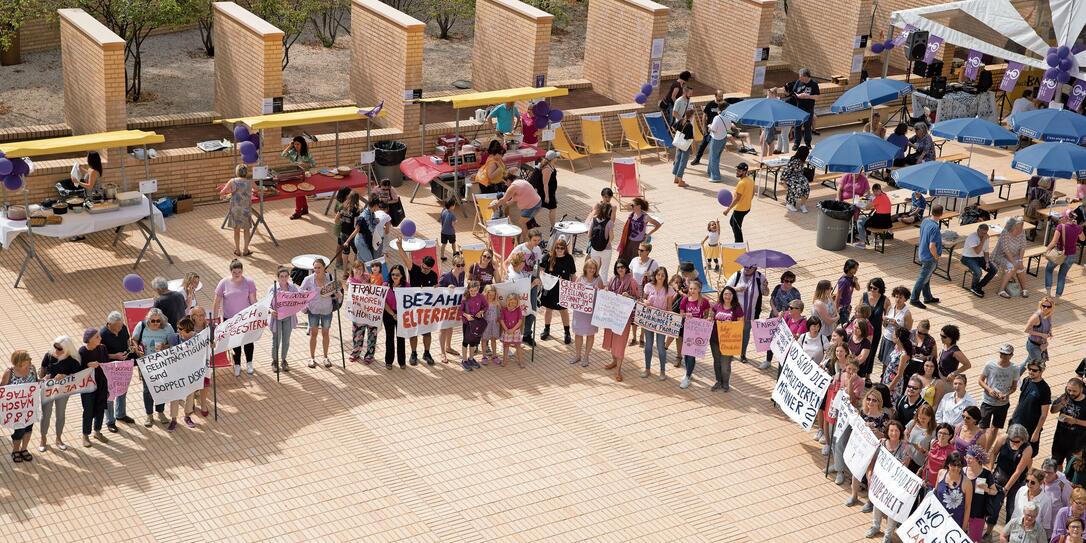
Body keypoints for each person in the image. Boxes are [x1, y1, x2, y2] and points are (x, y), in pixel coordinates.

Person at [37, 336, 83, 451]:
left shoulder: (73, 360)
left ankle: (58, 438)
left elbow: (76, 377)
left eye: (60, 349)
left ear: (67, 349)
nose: (56, 351)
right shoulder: (49, 355)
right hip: (48, 390)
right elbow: (41, 370)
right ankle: (43, 439)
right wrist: (43, 376)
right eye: (55, 347)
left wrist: (65, 376)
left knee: (60, 414)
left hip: (63, 391)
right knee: (46, 414)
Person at [213, 259, 257, 377]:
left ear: (242, 271)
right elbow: (217, 302)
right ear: (230, 271)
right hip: (230, 319)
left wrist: (256, 315)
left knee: (248, 341)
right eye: (234, 272)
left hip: (246, 318)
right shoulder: (223, 283)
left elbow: (253, 300)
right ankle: (237, 364)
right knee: (234, 342)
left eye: (239, 272)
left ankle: (249, 362)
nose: (237, 274)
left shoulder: (249, 282)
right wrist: (215, 319)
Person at [838, 388, 888, 491]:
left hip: (875, 450)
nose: (871, 402)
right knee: (856, 470)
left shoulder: (884, 417)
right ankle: (854, 495)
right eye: (869, 399)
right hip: (861, 448)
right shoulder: (862, 413)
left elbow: (886, 436)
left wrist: (876, 432)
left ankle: (869, 495)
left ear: (879, 402)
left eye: (874, 400)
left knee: (870, 473)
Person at [867, 419, 908, 541]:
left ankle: (888, 534)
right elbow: (874, 460)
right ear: (887, 431)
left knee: (892, 509)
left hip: (896, 485)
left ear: (900, 432)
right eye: (891, 430)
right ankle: (875, 526)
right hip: (881, 481)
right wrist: (870, 474)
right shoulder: (882, 443)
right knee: (877, 504)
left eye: (896, 431)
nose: (894, 433)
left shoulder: (904, 447)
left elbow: (905, 467)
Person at [132, 309, 173, 428]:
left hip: (162, 362)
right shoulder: (142, 325)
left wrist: (164, 346)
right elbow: (134, 339)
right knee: (147, 389)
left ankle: (160, 412)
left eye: (158, 321)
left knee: (161, 387)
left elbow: (173, 343)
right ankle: (149, 415)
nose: (155, 323)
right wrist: (138, 350)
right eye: (152, 321)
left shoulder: (167, 327)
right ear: (148, 320)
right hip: (146, 362)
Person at [991, 424, 1036, 531]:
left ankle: (1008, 533)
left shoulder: (1027, 449)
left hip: (1016, 481)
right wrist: (989, 470)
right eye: (1012, 441)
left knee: (1011, 509)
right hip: (1000, 475)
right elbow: (993, 453)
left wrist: (1006, 488)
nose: (1014, 444)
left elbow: (1018, 471)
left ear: (1023, 439)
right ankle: (989, 531)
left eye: (1017, 442)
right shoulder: (1003, 439)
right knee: (993, 506)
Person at [601, 259, 640, 382]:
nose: (620, 269)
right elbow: (608, 293)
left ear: (626, 268)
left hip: (623, 318)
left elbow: (638, 299)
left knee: (620, 343)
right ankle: (613, 361)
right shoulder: (613, 279)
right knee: (611, 340)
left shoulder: (632, 282)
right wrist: (606, 290)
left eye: (622, 267)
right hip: (611, 316)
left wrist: (629, 296)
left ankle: (618, 370)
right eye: (618, 267)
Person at [400, 243, 438, 365]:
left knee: (427, 332)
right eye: (423, 266)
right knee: (413, 332)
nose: (423, 269)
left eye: (426, 268)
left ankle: (427, 353)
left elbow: (435, 292)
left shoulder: (433, 275)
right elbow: (404, 259)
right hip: (413, 307)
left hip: (426, 309)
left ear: (431, 268)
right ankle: (413, 353)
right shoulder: (415, 269)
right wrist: (399, 246)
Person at [980, 343, 1021, 449]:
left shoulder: (1014, 369)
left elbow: (1014, 387)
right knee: (982, 428)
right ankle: (979, 448)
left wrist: (1006, 394)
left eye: (1006, 354)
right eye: (1001, 354)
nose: (1003, 356)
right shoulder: (990, 365)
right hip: (987, 402)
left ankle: (986, 450)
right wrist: (989, 389)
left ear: (1011, 355)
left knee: (995, 429)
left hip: (1002, 404)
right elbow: (980, 380)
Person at [507, 228, 544, 345]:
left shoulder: (538, 249)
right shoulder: (520, 249)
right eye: (534, 240)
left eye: (538, 240)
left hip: (532, 281)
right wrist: (510, 276)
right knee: (517, 309)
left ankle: (527, 334)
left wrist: (540, 277)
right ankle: (513, 334)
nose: (536, 243)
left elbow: (538, 265)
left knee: (532, 309)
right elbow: (506, 262)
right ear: (529, 239)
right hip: (520, 282)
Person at [100, 311, 136, 431]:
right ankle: (110, 421)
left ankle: (120, 414)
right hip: (109, 368)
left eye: (121, 326)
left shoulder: (123, 328)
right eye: (117, 327)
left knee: (122, 389)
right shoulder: (102, 334)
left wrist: (129, 348)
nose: (119, 329)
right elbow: (100, 354)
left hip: (123, 364)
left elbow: (126, 341)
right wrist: (115, 356)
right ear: (109, 324)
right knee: (110, 394)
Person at [725, 264, 767, 365]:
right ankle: (730, 353)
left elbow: (765, 293)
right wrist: (737, 289)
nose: (747, 269)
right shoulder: (738, 275)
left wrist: (765, 287)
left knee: (746, 333)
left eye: (750, 267)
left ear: (755, 268)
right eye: (745, 267)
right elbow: (726, 289)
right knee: (733, 333)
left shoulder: (760, 277)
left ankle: (742, 354)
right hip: (735, 312)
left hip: (750, 313)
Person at [301, 257, 339, 369]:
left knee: (325, 334)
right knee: (313, 334)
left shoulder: (330, 277)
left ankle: (325, 357)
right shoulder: (308, 279)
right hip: (313, 311)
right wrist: (305, 301)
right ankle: (312, 358)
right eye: (315, 268)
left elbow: (338, 292)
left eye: (319, 268)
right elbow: (301, 294)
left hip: (327, 310)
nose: (316, 270)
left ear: (324, 268)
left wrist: (338, 296)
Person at [821, 358, 864, 456]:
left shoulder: (860, 382)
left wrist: (850, 383)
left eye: (854, 369)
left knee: (841, 437)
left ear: (858, 369)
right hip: (836, 408)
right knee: (831, 429)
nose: (851, 372)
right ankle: (829, 446)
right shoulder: (841, 375)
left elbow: (851, 398)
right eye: (849, 369)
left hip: (847, 412)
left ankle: (839, 459)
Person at [3, 351, 37, 463]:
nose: (30, 360)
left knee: (28, 429)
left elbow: (37, 383)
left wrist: (48, 380)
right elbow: (3, 390)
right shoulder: (9, 372)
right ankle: (15, 450)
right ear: (20, 361)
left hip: (30, 407)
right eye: (27, 359)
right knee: (19, 431)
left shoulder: (32, 369)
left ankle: (24, 449)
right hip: (16, 409)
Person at [77, 328, 110, 446]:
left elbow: (106, 364)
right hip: (88, 386)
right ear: (89, 340)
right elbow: (76, 371)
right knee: (88, 410)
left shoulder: (102, 348)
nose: (100, 338)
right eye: (97, 337)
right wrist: (87, 365)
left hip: (101, 383)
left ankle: (97, 431)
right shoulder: (82, 352)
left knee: (101, 407)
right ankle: (85, 435)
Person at [1012, 359, 1052, 456]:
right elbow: (1021, 399)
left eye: (1034, 370)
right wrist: (1013, 416)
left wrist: (1036, 432)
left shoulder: (1044, 389)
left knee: (1028, 453)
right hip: (1017, 421)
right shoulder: (1027, 380)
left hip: (1030, 426)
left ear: (1041, 371)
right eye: (1029, 369)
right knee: (1012, 446)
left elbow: (1044, 414)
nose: (1031, 372)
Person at [539, 238, 575, 344]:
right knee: (548, 309)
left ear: (565, 249)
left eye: (562, 248)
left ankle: (567, 332)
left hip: (562, 289)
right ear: (554, 248)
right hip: (549, 288)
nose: (559, 250)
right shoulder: (548, 257)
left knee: (563, 310)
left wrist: (572, 287)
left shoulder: (569, 258)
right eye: (557, 248)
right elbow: (540, 269)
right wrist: (543, 278)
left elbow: (573, 275)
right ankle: (546, 329)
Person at [641, 267, 675, 379]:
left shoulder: (669, 289)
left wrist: (672, 321)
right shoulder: (648, 286)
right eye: (658, 274)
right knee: (648, 346)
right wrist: (645, 301)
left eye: (663, 275)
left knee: (661, 347)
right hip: (649, 320)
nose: (660, 277)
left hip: (661, 322)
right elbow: (643, 300)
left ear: (665, 277)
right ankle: (647, 369)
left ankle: (662, 371)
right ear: (655, 275)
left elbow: (669, 307)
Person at [765, 271, 802, 369]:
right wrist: (776, 312)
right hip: (774, 315)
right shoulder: (777, 288)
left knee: (782, 341)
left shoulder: (795, 292)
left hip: (787, 320)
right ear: (783, 280)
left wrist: (785, 314)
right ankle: (768, 360)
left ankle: (782, 362)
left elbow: (798, 307)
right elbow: (772, 300)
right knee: (771, 338)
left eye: (791, 281)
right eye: (786, 281)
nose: (788, 283)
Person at [678, 279, 711, 390]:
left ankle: (687, 376)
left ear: (699, 290)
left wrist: (705, 319)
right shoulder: (685, 300)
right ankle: (688, 372)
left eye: (694, 289)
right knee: (687, 353)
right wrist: (686, 314)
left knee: (692, 354)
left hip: (698, 331)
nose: (692, 291)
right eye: (691, 288)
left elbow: (707, 313)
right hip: (687, 330)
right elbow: (681, 314)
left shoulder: (704, 301)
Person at [709, 286, 743, 391]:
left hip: (728, 341)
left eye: (730, 294)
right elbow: (711, 317)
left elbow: (741, 323)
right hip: (714, 339)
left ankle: (725, 382)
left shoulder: (737, 308)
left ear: (733, 296)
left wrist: (732, 324)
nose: (727, 296)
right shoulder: (717, 306)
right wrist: (709, 319)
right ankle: (718, 381)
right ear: (722, 295)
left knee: (725, 363)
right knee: (717, 361)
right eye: (725, 294)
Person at [571, 259, 604, 368]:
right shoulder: (580, 278)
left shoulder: (598, 279)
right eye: (590, 268)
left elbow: (603, 293)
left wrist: (600, 290)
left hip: (592, 312)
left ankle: (586, 356)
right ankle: (577, 355)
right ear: (585, 268)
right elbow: (573, 291)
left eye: (594, 268)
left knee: (590, 334)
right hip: (580, 311)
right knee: (578, 333)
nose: (592, 270)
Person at [911, 204, 944, 309]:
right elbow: (932, 246)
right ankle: (914, 299)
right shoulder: (935, 227)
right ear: (941, 214)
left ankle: (927, 297)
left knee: (927, 276)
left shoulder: (925, 221)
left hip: (922, 252)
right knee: (923, 278)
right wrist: (936, 256)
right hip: (929, 256)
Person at [1045, 210, 1084, 299]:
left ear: (1066, 217)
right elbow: (1082, 239)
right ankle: (1057, 298)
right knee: (1062, 275)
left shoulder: (1060, 227)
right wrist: (1077, 226)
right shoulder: (1078, 228)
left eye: (1062, 216)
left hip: (1059, 253)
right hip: (1071, 255)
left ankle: (1048, 294)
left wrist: (1047, 250)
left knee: (1049, 270)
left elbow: (1054, 241)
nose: (1061, 218)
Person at [267, 266, 299, 372]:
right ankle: (274, 361)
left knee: (286, 340)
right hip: (277, 318)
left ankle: (284, 360)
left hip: (288, 318)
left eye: (286, 276)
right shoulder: (273, 288)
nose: (284, 278)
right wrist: (271, 311)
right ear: (278, 277)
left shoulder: (293, 288)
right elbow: (266, 304)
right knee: (276, 340)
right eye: (281, 276)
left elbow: (299, 300)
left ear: (288, 277)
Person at [436, 255, 465, 364]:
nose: (461, 267)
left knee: (450, 325)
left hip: (455, 305)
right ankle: (442, 352)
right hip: (444, 306)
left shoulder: (462, 274)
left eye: (463, 265)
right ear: (453, 265)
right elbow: (437, 289)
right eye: (458, 265)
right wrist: (446, 289)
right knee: (443, 327)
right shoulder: (446, 276)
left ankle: (448, 347)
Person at [219, 164, 254, 256]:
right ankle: (246, 249)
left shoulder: (232, 181)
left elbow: (223, 192)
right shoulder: (250, 182)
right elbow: (258, 189)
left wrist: (226, 193)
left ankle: (237, 250)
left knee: (236, 230)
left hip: (235, 208)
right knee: (246, 229)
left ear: (237, 172)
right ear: (246, 172)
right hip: (246, 208)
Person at [1051, 378, 1086, 468]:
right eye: (1069, 390)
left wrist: (1075, 421)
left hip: (1077, 443)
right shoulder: (1065, 397)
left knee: (1071, 467)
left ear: (1081, 389)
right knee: (1056, 463)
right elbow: (1053, 410)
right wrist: (1061, 405)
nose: (1071, 393)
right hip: (1060, 438)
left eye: (1074, 391)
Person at [616, 197, 661, 265]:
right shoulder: (631, 215)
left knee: (635, 262)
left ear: (639, 206)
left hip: (638, 243)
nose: (631, 207)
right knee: (623, 261)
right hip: (628, 241)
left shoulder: (645, 217)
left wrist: (648, 234)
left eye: (633, 205)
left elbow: (658, 225)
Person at [282, 136, 317, 220]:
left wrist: (306, 164)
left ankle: (298, 212)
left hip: (304, 176)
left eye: (298, 144)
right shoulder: (292, 152)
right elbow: (283, 155)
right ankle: (305, 209)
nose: (296, 146)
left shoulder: (307, 153)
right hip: (295, 175)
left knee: (299, 194)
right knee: (301, 193)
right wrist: (289, 146)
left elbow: (314, 164)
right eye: (295, 144)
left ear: (302, 144)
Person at [1012, 471, 1054, 541]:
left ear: (1040, 483)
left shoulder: (1046, 501)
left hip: (1032, 537)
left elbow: (1045, 525)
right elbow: (1016, 511)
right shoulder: (1021, 490)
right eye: (1027, 481)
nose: (1029, 484)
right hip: (1016, 532)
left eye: (1033, 482)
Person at [994, 216, 1029, 299]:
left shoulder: (1022, 231)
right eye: (1016, 228)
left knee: (1020, 267)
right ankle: (1001, 290)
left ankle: (1024, 289)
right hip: (1001, 255)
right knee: (1012, 267)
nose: (1018, 230)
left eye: (1020, 227)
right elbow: (1005, 249)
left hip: (1015, 255)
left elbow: (1023, 246)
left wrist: (1020, 260)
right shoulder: (1005, 232)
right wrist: (1013, 262)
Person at [935, 452, 973, 528]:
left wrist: (964, 527)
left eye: (959, 465)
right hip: (937, 518)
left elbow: (967, 507)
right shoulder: (941, 473)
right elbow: (935, 493)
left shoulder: (967, 483)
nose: (956, 468)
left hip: (955, 523)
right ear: (948, 464)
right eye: (953, 465)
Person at [962, 223, 998, 297]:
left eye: (985, 233)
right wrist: (983, 240)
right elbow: (977, 251)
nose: (983, 235)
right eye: (982, 232)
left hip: (979, 258)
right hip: (967, 258)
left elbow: (986, 251)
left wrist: (987, 262)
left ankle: (978, 287)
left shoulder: (985, 238)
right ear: (978, 230)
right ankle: (974, 287)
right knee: (978, 272)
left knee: (994, 270)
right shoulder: (972, 237)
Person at [787, 68, 820, 149]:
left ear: (806, 76)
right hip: (798, 108)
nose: (799, 78)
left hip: (808, 109)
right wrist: (798, 96)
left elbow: (817, 97)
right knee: (797, 126)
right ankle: (796, 143)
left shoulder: (814, 84)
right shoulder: (798, 82)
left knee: (807, 126)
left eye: (801, 76)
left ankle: (808, 143)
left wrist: (808, 96)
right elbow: (793, 92)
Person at [383, 265, 408, 369]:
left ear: (402, 275)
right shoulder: (385, 285)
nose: (395, 276)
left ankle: (402, 361)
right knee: (389, 338)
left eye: (397, 274)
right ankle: (389, 361)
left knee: (401, 338)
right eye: (393, 274)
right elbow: (383, 302)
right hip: (388, 313)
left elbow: (409, 302)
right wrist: (393, 314)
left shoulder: (407, 286)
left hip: (401, 314)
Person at [693, 90, 727, 167]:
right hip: (709, 129)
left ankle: (713, 163)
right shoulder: (710, 104)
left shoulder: (724, 105)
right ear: (715, 96)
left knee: (714, 148)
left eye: (722, 96)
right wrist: (704, 128)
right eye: (719, 96)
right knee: (703, 145)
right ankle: (697, 159)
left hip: (718, 131)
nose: (721, 98)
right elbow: (704, 117)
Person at [721, 163, 754, 242]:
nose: (737, 172)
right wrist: (747, 201)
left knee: (737, 229)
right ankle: (739, 243)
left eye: (739, 170)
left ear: (745, 171)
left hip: (740, 210)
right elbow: (753, 193)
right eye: (737, 170)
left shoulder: (741, 183)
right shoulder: (751, 179)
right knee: (732, 222)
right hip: (747, 207)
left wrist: (728, 209)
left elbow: (737, 199)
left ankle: (739, 245)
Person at [459, 280, 487, 371]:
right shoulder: (465, 298)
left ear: (478, 289)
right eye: (471, 291)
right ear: (468, 290)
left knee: (473, 341)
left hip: (477, 322)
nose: (473, 292)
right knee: (465, 341)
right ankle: (464, 360)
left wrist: (481, 311)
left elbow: (486, 306)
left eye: (475, 290)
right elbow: (460, 311)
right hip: (467, 323)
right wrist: (466, 315)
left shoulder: (481, 297)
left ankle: (471, 358)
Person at [855, 184, 892, 249]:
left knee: (860, 221)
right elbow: (876, 204)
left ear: (880, 190)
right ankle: (876, 240)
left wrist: (857, 204)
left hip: (879, 223)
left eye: (876, 191)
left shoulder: (878, 198)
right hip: (887, 222)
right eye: (874, 191)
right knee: (870, 218)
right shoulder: (885, 196)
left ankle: (862, 242)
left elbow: (866, 207)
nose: (875, 193)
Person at [529, 151, 560, 227]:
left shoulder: (550, 165)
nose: (557, 158)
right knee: (553, 208)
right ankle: (553, 227)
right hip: (546, 193)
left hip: (549, 192)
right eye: (556, 157)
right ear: (553, 159)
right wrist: (547, 196)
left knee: (539, 207)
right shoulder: (547, 169)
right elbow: (545, 184)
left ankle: (529, 221)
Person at [587, 201, 614, 283]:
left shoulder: (594, 220)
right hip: (606, 250)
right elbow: (612, 237)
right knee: (604, 271)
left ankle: (592, 285)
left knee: (593, 269)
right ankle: (602, 290)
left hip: (595, 249)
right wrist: (607, 242)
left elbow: (589, 235)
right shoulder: (609, 222)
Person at [904, 402, 935, 472]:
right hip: (906, 457)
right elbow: (905, 433)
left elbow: (931, 453)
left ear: (930, 418)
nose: (921, 420)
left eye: (924, 418)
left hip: (918, 463)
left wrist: (921, 450)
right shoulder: (913, 422)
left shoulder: (933, 432)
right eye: (919, 417)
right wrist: (907, 441)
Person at [335, 192, 362, 270]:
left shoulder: (342, 208)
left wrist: (343, 222)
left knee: (345, 252)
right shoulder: (357, 211)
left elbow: (336, 220)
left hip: (343, 233)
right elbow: (356, 226)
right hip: (352, 235)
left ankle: (344, 273)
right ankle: (353, 271)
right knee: (357, 252)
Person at [781, 146, 811, 213]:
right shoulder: (794, 161)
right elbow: (785, 172)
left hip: (799, 177)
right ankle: (789, 204)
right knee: (797, 188)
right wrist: (784, 182)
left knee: (806, 188)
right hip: (790, 178)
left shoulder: (802, 161)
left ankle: (802, 205)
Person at [926, 423, 956, 487]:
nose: (941, 435)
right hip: (927, 479)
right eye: (940, 432)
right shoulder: (933, 442)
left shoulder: (953, 451)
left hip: (940, 483)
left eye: (945, 434)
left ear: (950, 436)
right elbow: (928, 461)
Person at [500, 293, 525, 368]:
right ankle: (504, 361)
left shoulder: (518, 310)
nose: (513, 304)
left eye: (515, 302)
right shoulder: (504, 310)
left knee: (518, 346)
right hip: (507, 331)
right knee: (506, 345)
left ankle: (521, 362)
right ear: (508, 301)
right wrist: (506, 329)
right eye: (511, 302)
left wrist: (513, 329)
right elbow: (502, 320)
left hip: (516, 331)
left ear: (517, 303)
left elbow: (520, 321)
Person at [671, 109, 695, 188]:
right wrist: (692, 148)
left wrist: (677, 134)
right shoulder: (689, 125)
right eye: (693, 115)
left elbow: (673, 127)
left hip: (678, 144)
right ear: (691, 116)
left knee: (677, 160)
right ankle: (680, 181)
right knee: (683, 162)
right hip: (684, 146)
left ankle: (676, 178)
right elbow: (690, 138)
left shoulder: (681, 120)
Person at [834, 259, 859, 326]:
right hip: (841, 308)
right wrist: (836, 309)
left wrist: (855, 281)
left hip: (847, 306)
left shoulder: (852, 278)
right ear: (849, 268)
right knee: (846, 326)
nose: (856, 270)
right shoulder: (843, 280)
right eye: (854, 268)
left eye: (857, 268)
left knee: (841, 325)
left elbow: (858, 288)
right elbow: (838, 295)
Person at [480, 285, 500, 366]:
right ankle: (484, 356)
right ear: (486, 293)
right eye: (489, 294)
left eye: (493, 295)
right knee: (484, 340)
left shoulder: (496, 303)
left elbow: (499, 312)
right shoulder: (483, 303)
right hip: (486, 325)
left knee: (493, 340)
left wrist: (498, 320)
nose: (491, 296)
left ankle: (494, 355)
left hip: (494, 324)